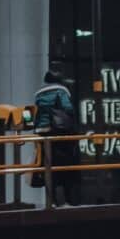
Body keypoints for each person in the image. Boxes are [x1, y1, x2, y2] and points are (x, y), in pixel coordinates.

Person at [31, 65, 79, 206]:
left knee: (47, 166)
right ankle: (67, 200)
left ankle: (50, 201)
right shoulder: (61, 91)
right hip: (57, 132)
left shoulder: (39, 94)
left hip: (41, 132)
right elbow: (68, 109)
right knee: (64, 166)